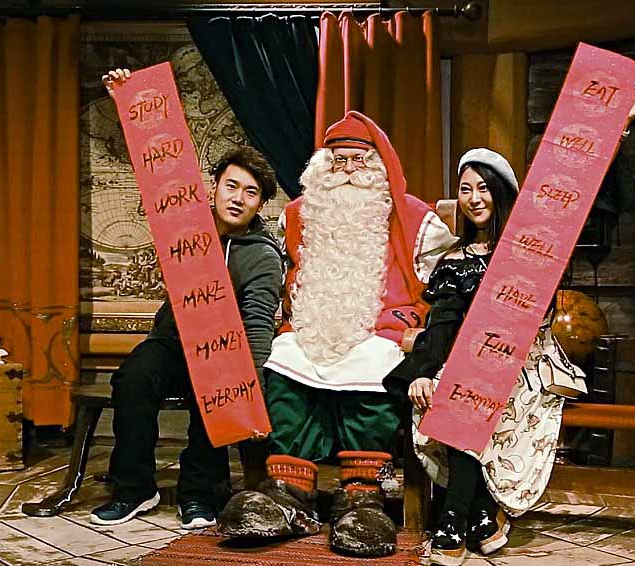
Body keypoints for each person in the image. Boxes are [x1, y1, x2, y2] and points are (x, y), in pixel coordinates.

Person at [383, 84, 635, 565]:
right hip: (472, 364)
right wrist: (422, 371)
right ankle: (480, 516)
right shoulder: (454, 261)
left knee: (472, 392)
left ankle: (452, 520)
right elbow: (442, 326)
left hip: (527, 364)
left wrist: (619, 126)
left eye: (483, 187)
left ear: (502, 192)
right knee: (456, 390)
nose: (473, 198)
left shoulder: (532, 249)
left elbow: (582, 198)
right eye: (465, 189)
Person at [218, 111, 458, 556]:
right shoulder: (298, 215)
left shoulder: (413, 218)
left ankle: (362, 496)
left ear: (378, 165)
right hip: (312, 326)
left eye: (358, 161)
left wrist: (413, 324)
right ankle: (287, 493)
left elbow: (448, 284)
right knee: (284, 362)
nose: (347, 171)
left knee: (373, 367)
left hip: (377, 330)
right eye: (338, 160)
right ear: (322, 166)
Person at [90, 69, 284, 529]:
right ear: (214, 186)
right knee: (133, 379)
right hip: (173, 340)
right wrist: (126, 97)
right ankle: (134, 488)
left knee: (210, 393)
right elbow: (154, 170)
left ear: (260, 205)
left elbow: (259, 323)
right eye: (231, 185)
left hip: (227, 355)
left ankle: (200, 492)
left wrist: (251, 386)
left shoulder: (262, 257)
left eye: (251, 193)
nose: (238, 198)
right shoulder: (185, 225)